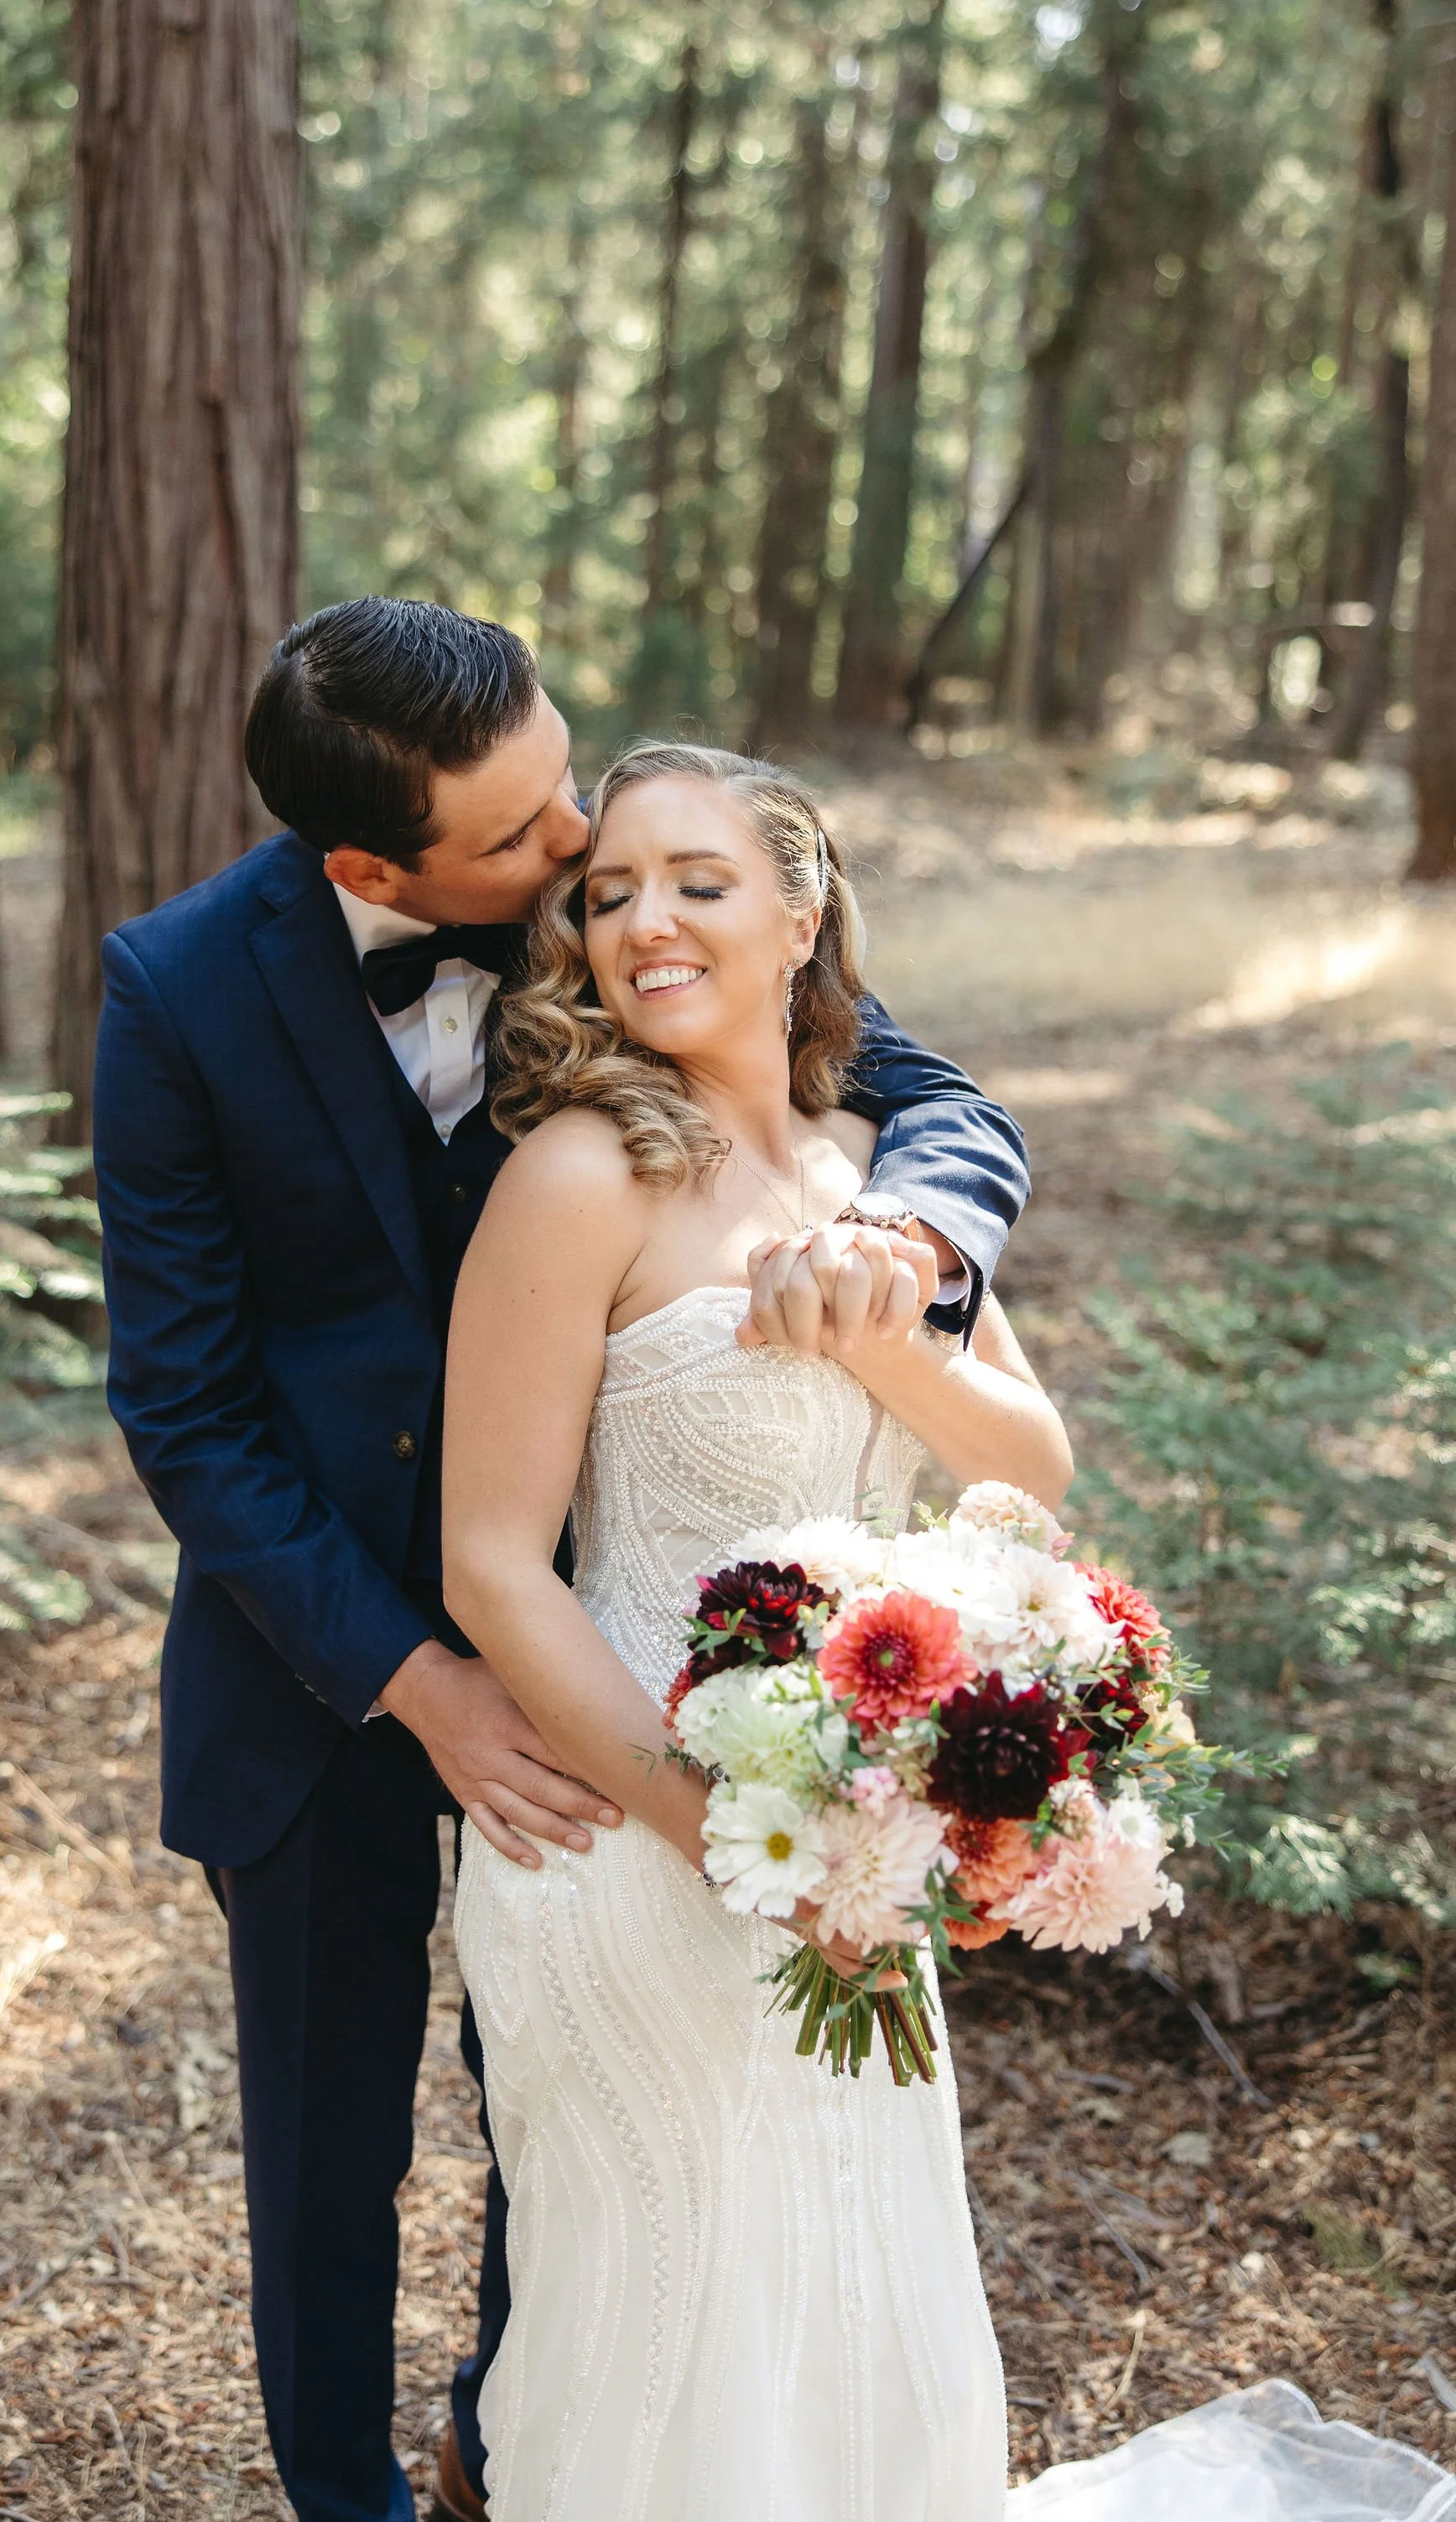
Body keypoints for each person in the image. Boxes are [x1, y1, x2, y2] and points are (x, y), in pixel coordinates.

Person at [91, 601, 1033, 2522]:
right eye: (525, 845)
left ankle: (520, 2450)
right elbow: (187, 1412)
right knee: (331, 2144)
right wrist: (420, 1677)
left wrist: (911, 1250)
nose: (573, 859)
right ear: (373, 868)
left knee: (600, 2139)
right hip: (328, 1655)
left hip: (650, 1626)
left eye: (569, 785)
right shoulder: (179, 993)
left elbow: (916, 1094)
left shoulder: (625, 881)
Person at [442, 743, 1453, 2522]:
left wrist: (874, 1321)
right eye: (607, 895)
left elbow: (1031, 1460)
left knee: (854, 2285)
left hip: (856, 1823)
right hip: (630, 1831)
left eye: (697, 880)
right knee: (661, 2312)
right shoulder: (577, 1177)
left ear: (802, 908)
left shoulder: (878, 1173)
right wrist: (720, 1837)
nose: (641, 921)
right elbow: (490, 1565)